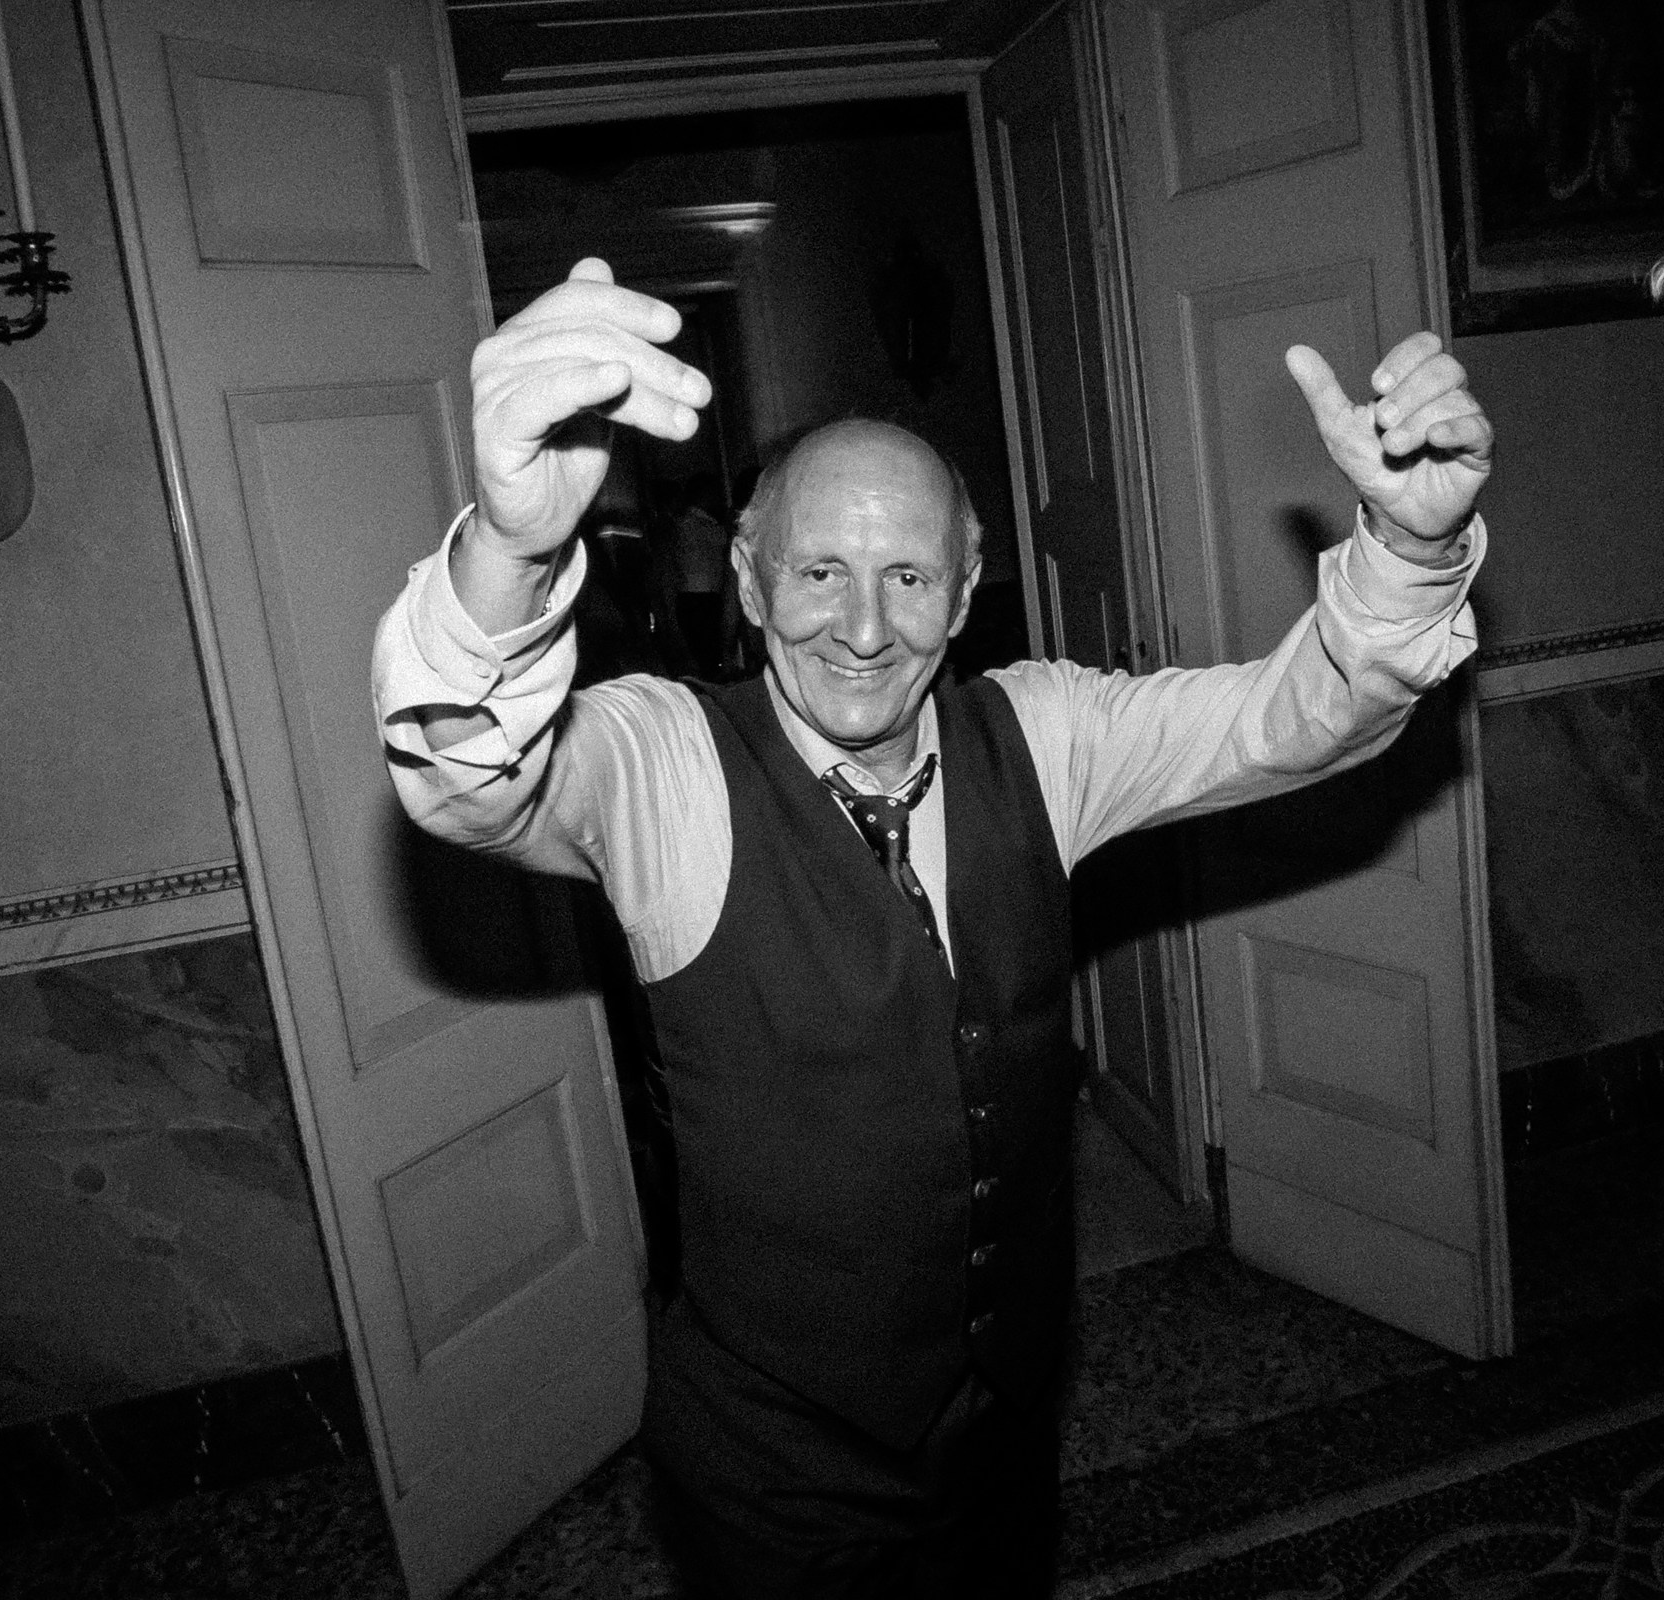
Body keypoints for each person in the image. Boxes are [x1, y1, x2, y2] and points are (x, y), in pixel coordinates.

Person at [371, 258, 1492, 1598]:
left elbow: (1290, 720)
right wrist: (508, 554)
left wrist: (1410, 550)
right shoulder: (664, 760)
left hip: (1003, 1422)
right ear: (748, 581)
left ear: (962, 599)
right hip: (780, 1468)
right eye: (819, 572)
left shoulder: (1045, 733)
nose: (862, 627)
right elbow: (470, 780)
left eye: (908, 577)